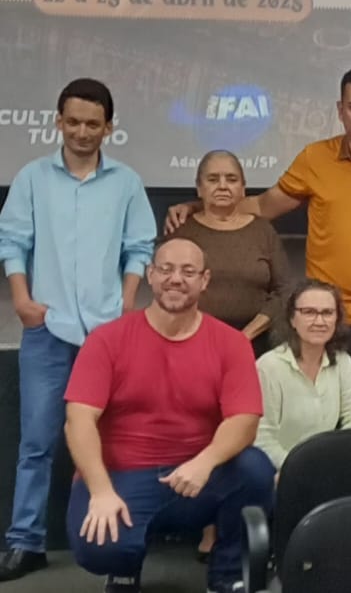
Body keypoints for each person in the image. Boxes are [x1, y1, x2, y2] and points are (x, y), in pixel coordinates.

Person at [167, 67, 351, 412]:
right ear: (340, 110)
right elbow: (264, 205)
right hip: (329, 318)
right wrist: (198, 205)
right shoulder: (315, 158)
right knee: (333, 419)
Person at [0, 78, 155, 583]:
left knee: (115, 441)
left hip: (109, 333)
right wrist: (21, 300)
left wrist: (128, 304)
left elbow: (140, 248)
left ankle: (117, 546)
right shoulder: (31, 178)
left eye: (94, 123)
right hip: (47, 329)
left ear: (109, 127)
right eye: (74, 121)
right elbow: (13, 241)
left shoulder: (127, 182)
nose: (83, 132)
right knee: (38, 442)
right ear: (58, 121)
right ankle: (26, 542)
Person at [63, 238, 273, 593]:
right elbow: (78, 420)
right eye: (166, 269)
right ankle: (125, 571)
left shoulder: (231, 343)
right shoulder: (106, 339)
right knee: (101, 549)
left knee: (255, 469)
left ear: (204, 280)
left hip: (196, 476)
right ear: (150, 275)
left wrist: (205, 462)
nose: (176, 279)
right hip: (121, 477)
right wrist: (100, 490)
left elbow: (244, 420)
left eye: (188, 271)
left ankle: (227, 577)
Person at [172, 150, 289, 357]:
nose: (223, 186)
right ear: (199, 188)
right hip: (195, 344)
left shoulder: (263, 231)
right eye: (213, 179)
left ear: (243, 188)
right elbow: (172, 290)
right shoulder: (182, 231)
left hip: (257, 345)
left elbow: (283, 291)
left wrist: (245, 336)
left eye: (232, 179)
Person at [255, 280, 351, 470]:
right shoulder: (268, 366)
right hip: (281, 470)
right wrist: (301, 468)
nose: (319, 321)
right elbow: (262, 437)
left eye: (327, 313)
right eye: (309, 312)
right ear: (292, 319)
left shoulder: (342, 361)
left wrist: (341, 457)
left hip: (329, 463)